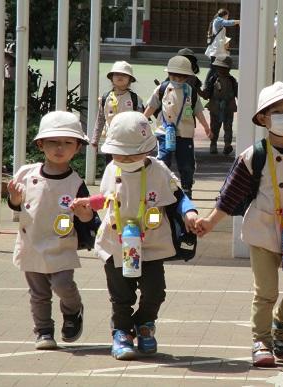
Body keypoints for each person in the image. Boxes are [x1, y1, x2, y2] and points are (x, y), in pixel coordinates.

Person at [196, 82, 283, 367]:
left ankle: (281, 321)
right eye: (277, 111)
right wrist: (210, 223)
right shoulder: (254, 155)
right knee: (266, 292)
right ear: (263, 118)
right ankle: (262, 341)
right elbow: (231, 195)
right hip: (263, 232)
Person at [71, 111, 198, 360]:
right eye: (120, 154)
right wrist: (87, 203)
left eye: (132, 154)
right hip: (116, 243)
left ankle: (144, 324)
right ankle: (122, 333)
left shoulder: (158, 170)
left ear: (148, 149)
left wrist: (190, 212)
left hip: (149, 243)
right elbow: (106, 199)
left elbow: (177, 195)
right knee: (121, 295)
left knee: (155, 291)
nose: (126, 159)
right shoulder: (111, 169)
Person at [7, 111, 99, 350]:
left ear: (77, 147)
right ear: (41, 144)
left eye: (68, 142)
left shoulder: (76, 183)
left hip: (61, 246)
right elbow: (16, 204)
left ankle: (72, 310)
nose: (60, 148)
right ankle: (44, 331)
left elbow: (88, 217)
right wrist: (15, 199)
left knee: (63, 285)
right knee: (38, 293)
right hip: (31, 244)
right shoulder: (26, 174)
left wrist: (85, 213)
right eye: (53, 142)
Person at [144, 56, 211, 199]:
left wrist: (206, 126)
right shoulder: (162, 88)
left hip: (185, 133)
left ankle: (187, 188)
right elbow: (152, 106)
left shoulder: (191, 91)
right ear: (168, 74)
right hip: (164, 131)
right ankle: (162, 185)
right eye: (174, 76)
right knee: (163, 160)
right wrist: (142, 120)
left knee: (186, 162)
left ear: (187, 77)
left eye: (182, 77)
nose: (178, 80)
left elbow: (198, 110)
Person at [91, 61, 144, 165]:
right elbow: (100, 119)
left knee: (127, 165)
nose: (120, 76)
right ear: (111, 78)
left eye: (124, 75)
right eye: (116, 74)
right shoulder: (105, 98)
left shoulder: (135, 99)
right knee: (111, 165)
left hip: (129, 140)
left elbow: (141, 121)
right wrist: (95, 139)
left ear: (130, 79)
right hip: (111, 139)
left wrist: (142, 141)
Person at [200, 55, 238, 155]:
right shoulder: (213, 80)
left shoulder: (232, 81)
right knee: (214, 127)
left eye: (224, 68)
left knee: (228, 127)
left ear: (229, 69)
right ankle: (213, 144)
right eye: (219, 67)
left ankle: (227, 145)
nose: (221, 70)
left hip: (228, 106)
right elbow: (206, 94)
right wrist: (199, 91)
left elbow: (238, 94)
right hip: (215, 107)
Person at [204, 8, 240, 87]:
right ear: (225, 15)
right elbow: (227, 23)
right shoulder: (218, 20)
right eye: (227, 16)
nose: (228, 17)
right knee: (214, 68)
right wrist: (238, 21)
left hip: (218, 48)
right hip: (217, 49)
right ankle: (206, 85)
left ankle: (212, 84)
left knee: (217, 68)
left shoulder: (216, 20)